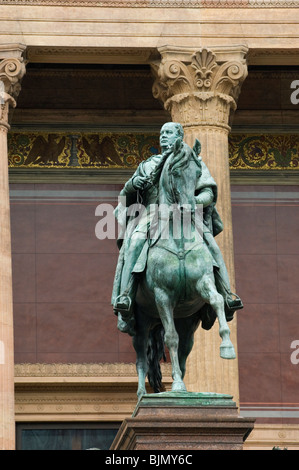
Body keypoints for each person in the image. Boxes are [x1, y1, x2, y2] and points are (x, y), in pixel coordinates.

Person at [112, 122, 242, 333]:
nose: (164, 136)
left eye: (169, 133)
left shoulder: (192, 161)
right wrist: (133, 184)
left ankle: (227, 295)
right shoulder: (147, 165)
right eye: (161, 133)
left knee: (212, 247)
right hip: (154, 214)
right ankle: (125, 297)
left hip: (186, 215)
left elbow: (208, 194)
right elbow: (125, 195)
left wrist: (193, 202)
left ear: (179, 136)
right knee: (134, 244)